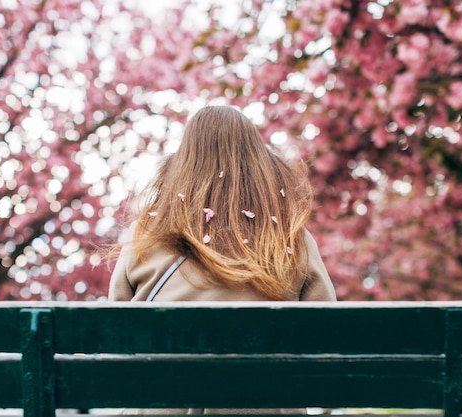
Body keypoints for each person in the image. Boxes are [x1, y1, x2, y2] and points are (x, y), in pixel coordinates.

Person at [107, 105, 336, 414]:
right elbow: (325, 345)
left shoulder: (144, 235)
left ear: (183, 165)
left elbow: (118, 340)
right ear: (259, 164)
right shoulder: (292, 239)